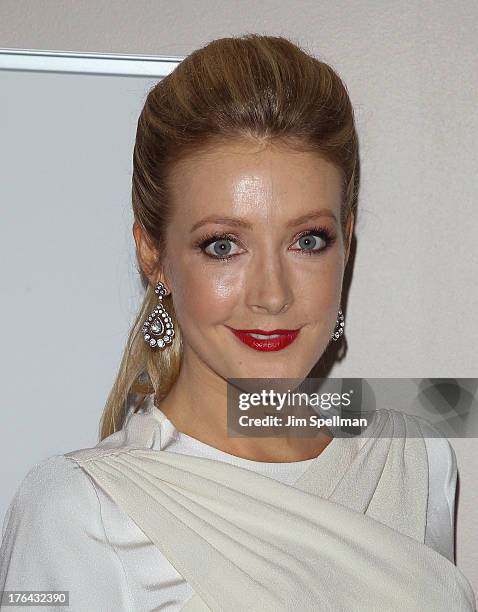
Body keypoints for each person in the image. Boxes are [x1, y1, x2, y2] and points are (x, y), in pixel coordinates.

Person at [0, 34, 475, 612]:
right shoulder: (78, 511)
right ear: (154, 254)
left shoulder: (416, 459)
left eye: (307, 240)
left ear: (346, 242)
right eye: (223, 245)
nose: (271, 295)